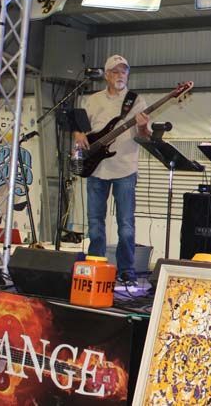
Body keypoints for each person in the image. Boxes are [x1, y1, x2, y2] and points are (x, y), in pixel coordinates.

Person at [74, 55, 150, 285]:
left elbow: (144, 137)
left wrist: (144, 126)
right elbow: (80, 128)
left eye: (124, 71)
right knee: (95, 223)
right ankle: (96, 266)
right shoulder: (93, 100)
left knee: (126, 225)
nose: (120, 76)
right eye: (115, 72)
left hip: (125, 168)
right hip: (96, 168)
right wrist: (78, 135)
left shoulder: (136, 101)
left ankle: (126, 270)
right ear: (107, 75)